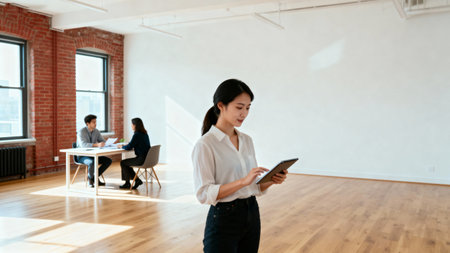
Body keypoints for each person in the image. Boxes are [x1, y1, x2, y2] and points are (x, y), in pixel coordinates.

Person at [192, 79, 288, 253]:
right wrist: (243, 182)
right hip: (223, 218)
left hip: (251, 212)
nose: (244, 113)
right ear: (221, 106)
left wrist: (272, 180)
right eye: (239, 107)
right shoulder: (205, 145)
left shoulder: (247, 140)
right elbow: (204, 194)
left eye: (248, 108)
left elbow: (253, 187)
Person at [77, 114, 112, 188]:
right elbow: (83, 145)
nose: (95, 124)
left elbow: (102, 141)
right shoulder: (81, 132)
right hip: (82, 156)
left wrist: (107, 143)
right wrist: (97, 145)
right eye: (93, 122)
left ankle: (95, 177)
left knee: (108, 161)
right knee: (92, 162)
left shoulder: (96, 131)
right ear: (87, 123)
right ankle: (90, 179)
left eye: (95, 122)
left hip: (93, 155)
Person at [117, 118, 151, 189]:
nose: (131, 126)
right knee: (126, 164)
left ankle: (128, 183)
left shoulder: (137, 135)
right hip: (148, 159)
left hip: (141, 159)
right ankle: (137, 180)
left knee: (123, 163)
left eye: (132, 124)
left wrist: (122, 146)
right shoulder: (144, 133)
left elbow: (129, 147)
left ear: (135, 125)